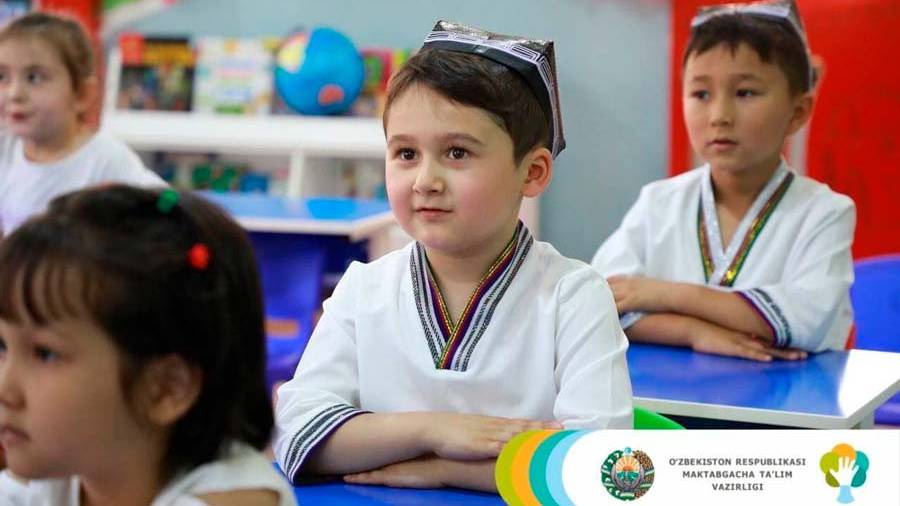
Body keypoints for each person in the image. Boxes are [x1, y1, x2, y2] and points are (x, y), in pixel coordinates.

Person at [274, 21, 633, 493]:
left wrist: (445, 470)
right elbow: (298, 435)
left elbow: (605, 467)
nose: (425, 180)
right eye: (406, 153)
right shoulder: (363, 289)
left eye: (457, 153)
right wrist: (436, 430)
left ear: (532, 172)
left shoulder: (574, 296)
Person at [0, 185, 296, 505]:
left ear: (165, 388)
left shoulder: (234, 500)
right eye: (1, 347)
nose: (4, 389)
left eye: (45, 354)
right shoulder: (66, 471)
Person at [592, 0, 855, 359]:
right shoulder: (659, 203)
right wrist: (693, 332)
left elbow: (805, 321)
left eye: (745, 92)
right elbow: (602, 303)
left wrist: (662, 293)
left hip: (789, 395)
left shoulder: (825, 212)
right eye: (701, 94)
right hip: (669, 392)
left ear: (798, 111)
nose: (719, 115)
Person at [0, 12, 163, 236]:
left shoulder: (105, 159)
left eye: (34, 78)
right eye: (2, 77)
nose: (14, 94)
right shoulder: (7, 149)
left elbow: (170, 204)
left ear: (81, 94)